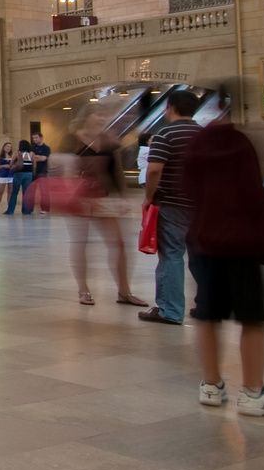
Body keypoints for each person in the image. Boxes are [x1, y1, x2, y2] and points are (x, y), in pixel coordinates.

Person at [185, 117, 264, 417]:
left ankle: (211, 385)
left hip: (203, 238)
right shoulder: (241, 146)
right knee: (252, 317)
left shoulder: (199, 146)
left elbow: (187, 187)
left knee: (207, 314)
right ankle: (253, 393)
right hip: (241, 242)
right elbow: (254, 197)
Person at [62, 110, 142, 307]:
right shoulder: (72, 139)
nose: (102, 118)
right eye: (98, 114)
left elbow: (117, 171)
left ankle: (124, 291)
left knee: (119, 243)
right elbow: (63, 169)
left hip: (104, 196)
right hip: (80, 198)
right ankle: (83, 290)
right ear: (87, 116)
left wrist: (123, 197)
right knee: (81, 242)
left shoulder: (109, 139)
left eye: (104, 115)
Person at [141, 89, 202, 326]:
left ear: (171, 107)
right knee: (200, 255)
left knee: (172, 256)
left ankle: (171, 310)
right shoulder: (204, 134)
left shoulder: (165, 134)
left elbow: (155, 169)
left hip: (173, 202)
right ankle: (206, 304)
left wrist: (149, 196)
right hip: (202, 204)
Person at [4, 139, 35, 214]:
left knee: (14, 192)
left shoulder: (17, 153)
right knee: (26, 193)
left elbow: (11, 163)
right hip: (29, 174)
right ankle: (26, 211)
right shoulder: (32, 154)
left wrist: (11, 167)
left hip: (18, 174)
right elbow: (35, 166)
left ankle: (10, 210)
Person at [29, 131, 52, 213]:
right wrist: (36, 157)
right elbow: (29, 158)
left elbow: (43, 158)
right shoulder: (32, 148)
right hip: (33, 172)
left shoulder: (46, 148)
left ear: (41, 138)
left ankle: (45, 209)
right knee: (31, 191)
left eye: (36, 137)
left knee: (44, 191)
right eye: (33, 138)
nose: (34, 139)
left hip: (42, 172)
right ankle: (29, 209)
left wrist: (35, 157)